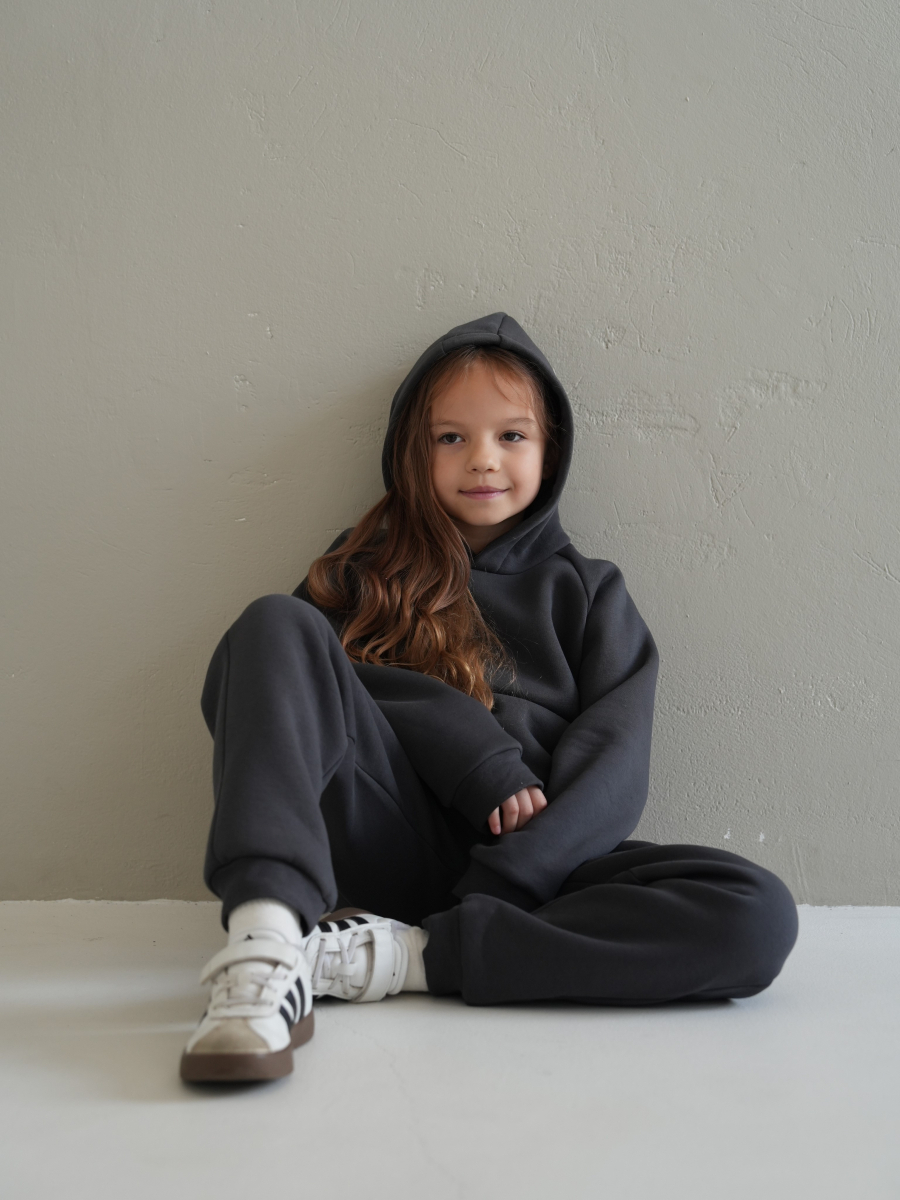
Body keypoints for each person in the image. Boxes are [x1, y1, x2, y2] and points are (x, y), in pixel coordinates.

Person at [180, 312, 799, 1084]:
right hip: (384, 839)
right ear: (412, 451)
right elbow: (274, 691)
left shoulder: (591, 592)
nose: (483, 459)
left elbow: (614, 761)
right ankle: (265, 949)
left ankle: (399, 958)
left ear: (551, 450)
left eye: (512, 435)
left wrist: (514, 875)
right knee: (273, 624)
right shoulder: (361, 570)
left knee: (755, 912)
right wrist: (473, 753)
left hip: (536, 871)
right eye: (451, 437)